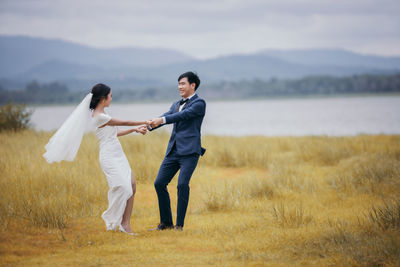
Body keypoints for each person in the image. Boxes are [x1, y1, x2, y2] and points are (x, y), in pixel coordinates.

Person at [43, 83, 148, 235]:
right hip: (109, 156)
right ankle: (112, 218)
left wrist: (134, 130)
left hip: (118, 153)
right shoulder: (99, 117)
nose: (112, 98)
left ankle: (125, 224)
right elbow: (124, 122)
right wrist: (144, 122)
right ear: (103, 98)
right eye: (110, 96)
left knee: (132, 185)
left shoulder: (103, 116)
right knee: (123, 188)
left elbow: (114, 133)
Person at [148, 71, 206, 231]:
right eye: (178, 83)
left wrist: (163, 120)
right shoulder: (176, 104)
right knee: (159, 183)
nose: (179, 86)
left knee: (182, 185)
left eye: (183, 83)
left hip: (190, 152)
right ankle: (166, 223)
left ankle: (179, 226)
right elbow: (166, 116)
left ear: (192, 85)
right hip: (173, 151)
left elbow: (182, 116)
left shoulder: (199, 103)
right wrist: (147, 125)